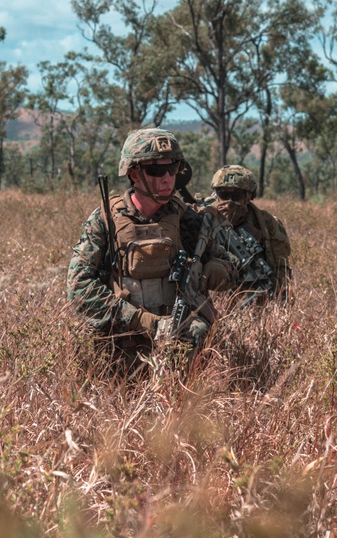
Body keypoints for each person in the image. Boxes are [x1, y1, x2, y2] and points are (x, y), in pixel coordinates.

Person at [67, 128, 237, 371]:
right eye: (156, 171)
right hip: (120, 334)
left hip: (176, 336)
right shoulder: (106, 219)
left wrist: (214, 270)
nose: (168, 178)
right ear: (134, 174)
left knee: (198, 331)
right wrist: (144, 321)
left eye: (173, 168)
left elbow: (229, 266)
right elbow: (78, 288)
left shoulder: (187, 220)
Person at [206, 165, 292, 302]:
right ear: (216, 194)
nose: (229, 203)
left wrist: (282, 300)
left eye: (236, 196)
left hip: (255, 292)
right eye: (224, 194)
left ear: (249, 196)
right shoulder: (204, 217)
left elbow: (280, 266)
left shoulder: (265, 223)